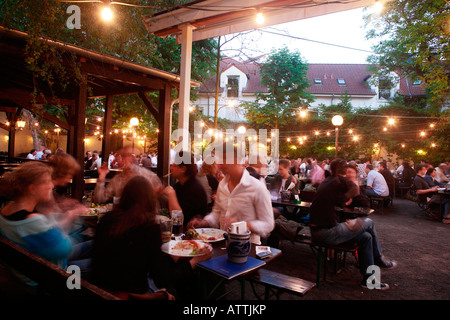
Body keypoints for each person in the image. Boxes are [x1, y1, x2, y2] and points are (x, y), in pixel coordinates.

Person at [91, 176, 211, 299]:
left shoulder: (106, 219)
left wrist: (172, 258)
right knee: (176, 292)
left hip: (98, 291)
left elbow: (133, 259)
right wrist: (194, 262)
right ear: (149, 199)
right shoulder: (148, 227)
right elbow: (162, 279)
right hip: (130, 296)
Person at [309, 158, 396, 290]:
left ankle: (369, 280)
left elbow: (340, 200)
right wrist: (348, 196)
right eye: (347, 171)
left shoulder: (328, 181)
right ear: (343, 171)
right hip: (326, 232)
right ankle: (378, 258)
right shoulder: (338, 181)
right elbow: (354, 188)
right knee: (369, 222)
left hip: (320, 230)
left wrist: (345, 200)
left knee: (367, 237)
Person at [0, 162, 89, 286]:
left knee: (94, 246)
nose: (52, 186)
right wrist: (71, 217)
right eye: (47, 182)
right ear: (32, 189)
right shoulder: (33, 221)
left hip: (32, 269)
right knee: (105, 263)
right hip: (50, 277)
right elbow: (65, 249)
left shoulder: (6, 210)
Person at [189, 142, 274, 245]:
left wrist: (244, 225)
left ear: (236, 159)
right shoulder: (222, 184)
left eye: (223, 159)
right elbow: (217, 213)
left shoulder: (257, 187)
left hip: (249, 248)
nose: (220, 164)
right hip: (224, 244)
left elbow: (268, 224)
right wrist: (204, 222)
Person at [94, 147, 162, 205]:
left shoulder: (146, 175)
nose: (121, 159)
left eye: (126, 156)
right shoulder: (117, 179)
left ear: (134, 158)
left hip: (144, 218)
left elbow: (158, 196)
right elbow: (100, 200)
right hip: (122, 218)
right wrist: (102, 176)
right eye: (120, 156)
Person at [166, 151, 208, 225]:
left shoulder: (195, 190)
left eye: (174, 165)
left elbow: (179, 220)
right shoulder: (179, 186)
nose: (171, 168)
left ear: (183, 169)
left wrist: (171, 194)